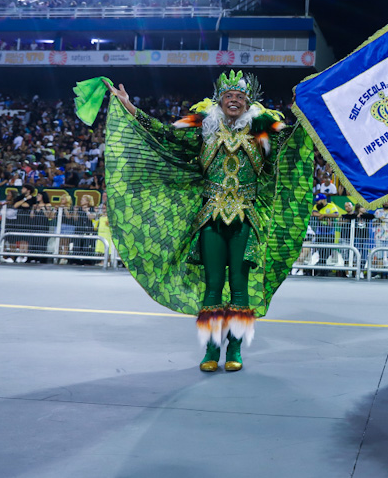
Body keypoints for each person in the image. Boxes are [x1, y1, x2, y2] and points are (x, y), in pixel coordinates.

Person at [95, 70, 313, 372]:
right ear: (219, 100)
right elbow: (163, 133)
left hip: (245, 221)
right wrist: (129, 107)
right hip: (210, 219)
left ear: (248, 102)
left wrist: (303, 112)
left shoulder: (263, 128)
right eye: (228, 96)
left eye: (239, 96)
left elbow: (292, 138)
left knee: (239, 287)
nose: (233, 100)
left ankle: (234, 349)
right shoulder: (202, 127)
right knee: (212, 287)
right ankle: (211, 350)